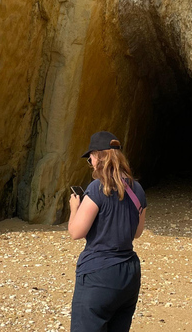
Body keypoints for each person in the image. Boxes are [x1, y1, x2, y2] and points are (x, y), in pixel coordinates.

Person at [68, 131, 147, 332]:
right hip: (129, 274)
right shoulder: (137, 190)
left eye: (91, 158)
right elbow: (137, 232)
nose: (91, 162)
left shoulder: (97, 188)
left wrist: (74, 208)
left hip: (99, 274)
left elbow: (76, 231)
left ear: (99, 156)